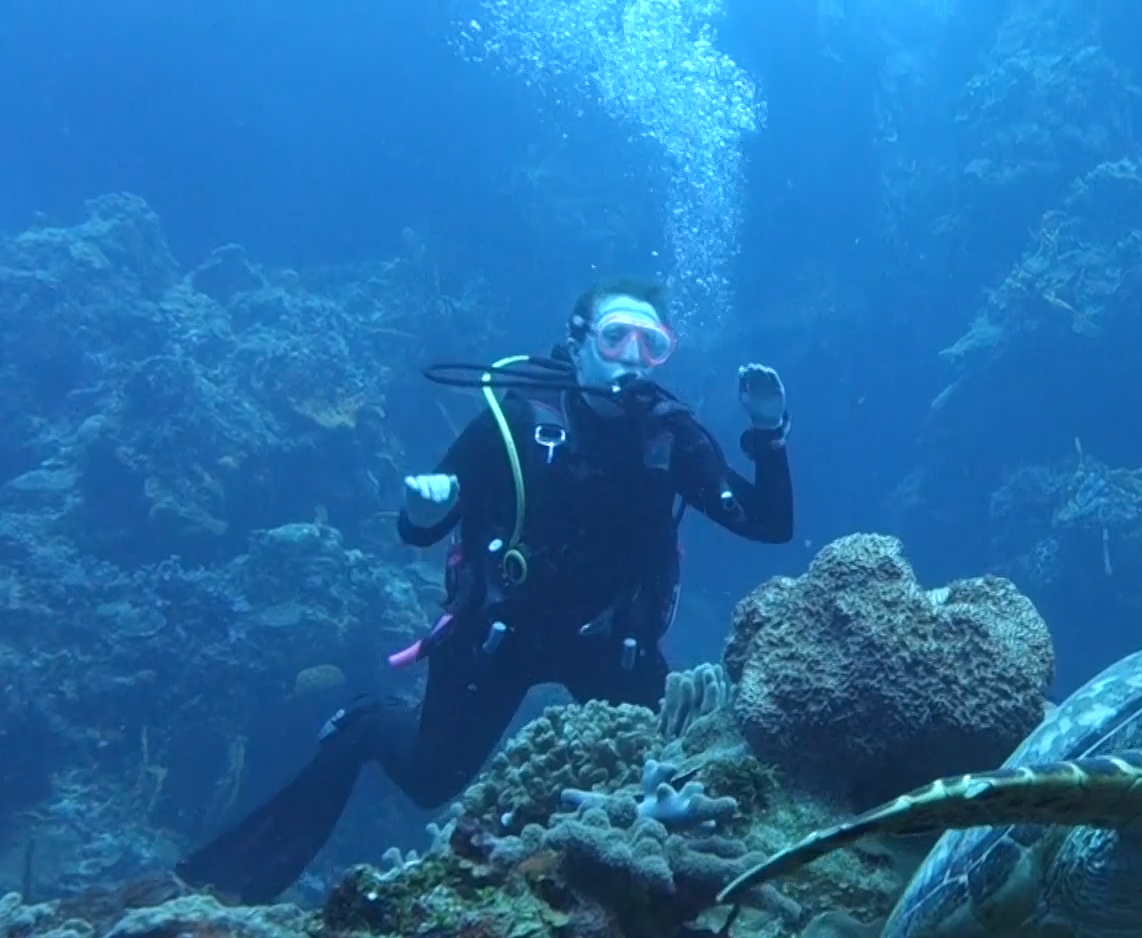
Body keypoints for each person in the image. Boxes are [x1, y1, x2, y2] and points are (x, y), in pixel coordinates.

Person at [177, 278, 794, 904]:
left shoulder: (671, 438)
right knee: (428, 780)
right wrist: (422, 510)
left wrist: (768, 433)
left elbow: (769, 525)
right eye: (615, 337)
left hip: (609, 643)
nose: (633, 357)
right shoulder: (519, 420)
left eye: (651, 344)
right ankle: (365, 725)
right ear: (578, 344)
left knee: (674, 766)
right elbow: (423, 525)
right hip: (500, 632)